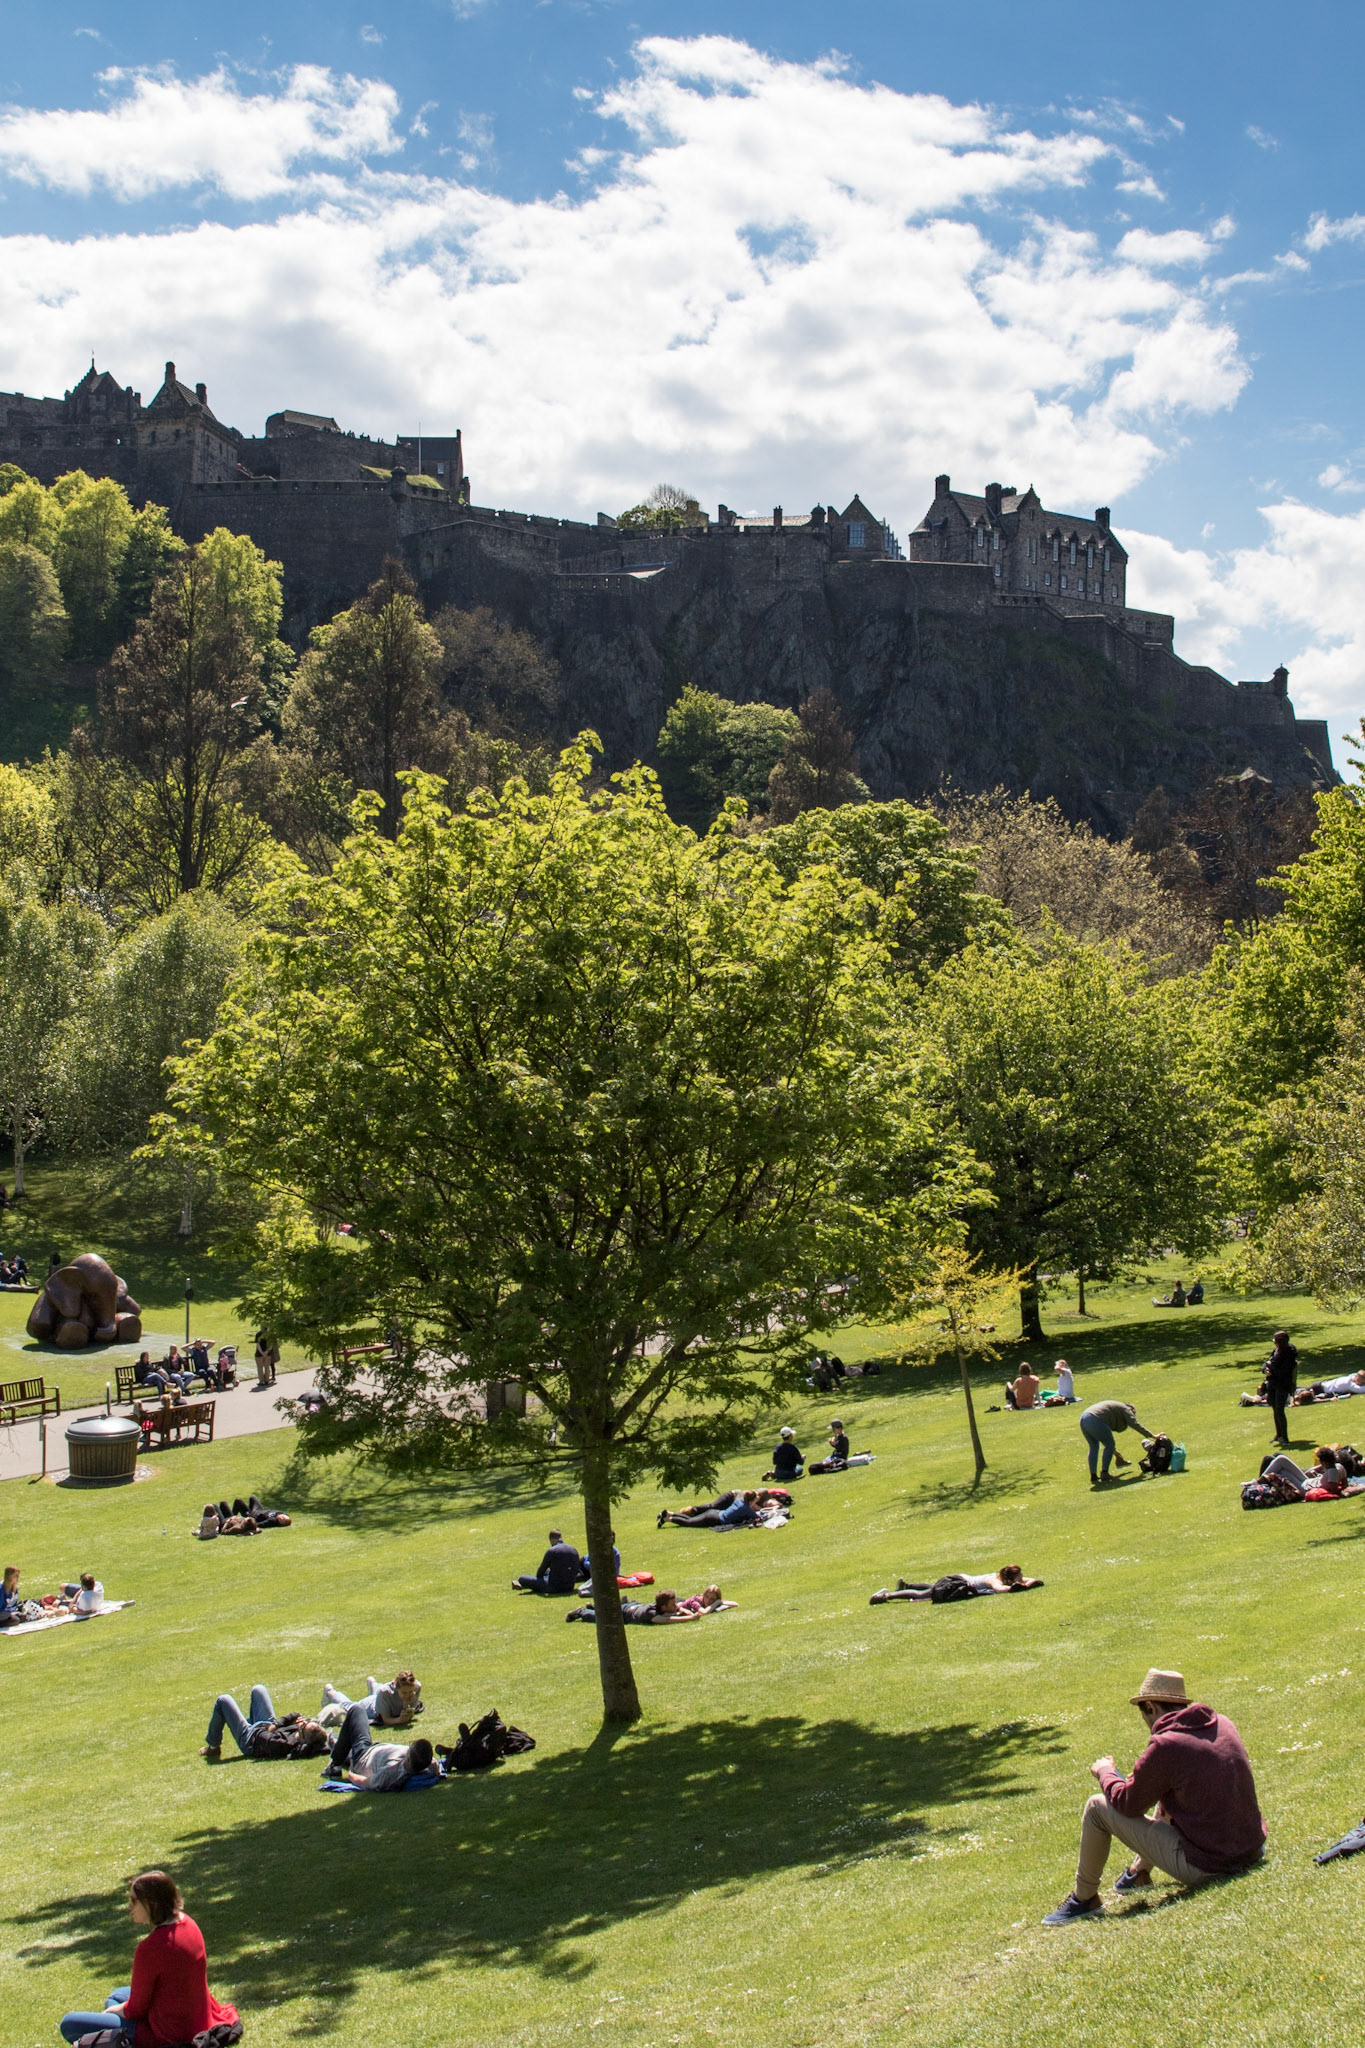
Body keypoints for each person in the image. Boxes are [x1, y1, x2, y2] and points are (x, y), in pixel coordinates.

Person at [1042, 1667, 1265, 1923]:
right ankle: (1138, 1873)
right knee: (1167, 1800)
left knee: (1096, 1807)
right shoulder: (1222, 1723)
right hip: (1251, 1850)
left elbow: (1127, 1803)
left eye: (1143, 1712)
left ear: (1151, 1707)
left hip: (1213, 1866)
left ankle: (1084, 1899)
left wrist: (1106, 1772)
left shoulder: (1166, 1744)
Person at [58, 1871, 238, 2047]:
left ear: (152, 1905)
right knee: (117, 1995)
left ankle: (117, 2041)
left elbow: (135, 2009)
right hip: (196, 2018)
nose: (130, 1907)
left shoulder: (151, 1948)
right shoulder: (189, 1924)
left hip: (169, 2033)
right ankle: (112, 2036)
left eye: (134, 1902)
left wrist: (115, 2012)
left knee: (70, 2023)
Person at [201, 1684, 332, 1760]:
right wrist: (277, 1725)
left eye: (304, 1726)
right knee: (259, 1689)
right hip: (266, 1725)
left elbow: (261, 1736)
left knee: (223, 1700)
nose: (303, 1722)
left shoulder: (283, 1744)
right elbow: (295, 1715)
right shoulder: (305, 1737)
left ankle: (213, 1747)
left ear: (303, 1738)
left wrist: (277, 1725)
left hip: (250, 1738)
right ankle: (249, 1720)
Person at [324, 1701, 434, 1787]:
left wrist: (351, 1774)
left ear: (408, 1758)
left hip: (363, 1756)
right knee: (349, 1745)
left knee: (356, 1710)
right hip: (373, 1751)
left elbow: (366, 1783)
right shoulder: (430, 1764)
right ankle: (335, 1742)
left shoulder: (391, 1772)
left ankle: (335, 1766)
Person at [1079, 1398, 1159, 1485]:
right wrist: (1152, 1436)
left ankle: (1093, 1475)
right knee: (1110, 1445)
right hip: (1095, 1419)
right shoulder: (1126, 1409)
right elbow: (1135, 1424)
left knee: (1094, 1447)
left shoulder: (1116, 1408)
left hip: (1084, 1418)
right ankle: (1105, 1473)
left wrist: (1117, 1455)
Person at [870, 1564, 1042, 1603]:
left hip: (957, 1580)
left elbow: (1032, 1581)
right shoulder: (993, 1580)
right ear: (1010, 1580)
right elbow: (1000, 1589)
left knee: (931, 1588)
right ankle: (885, 1596)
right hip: (954, 1583)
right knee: (924, 1595)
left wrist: (1028, 1584)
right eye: (1018, 1578)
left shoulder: (1003, 1576)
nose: (1022, 1579)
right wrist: (1016, 1588)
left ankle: (906, 1586)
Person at [321, 1671, 423, 1726]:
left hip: (380, 1698)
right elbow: (386, 1720)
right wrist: (400, 1720)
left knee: (378, 1694)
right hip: (370, 1708)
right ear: (397, 1689)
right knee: (349, 1706)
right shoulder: (385, 1692)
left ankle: (373, 1683)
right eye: (404, 1692)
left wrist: (406, 1703)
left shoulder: (417, 1687)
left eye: (410, 1692)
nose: (408, 1695)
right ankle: (329, 1692)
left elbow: (408, 1710)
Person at [567, 1588, 696, 1624]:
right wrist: (690, 1618)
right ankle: (582, 1612)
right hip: (625, 1613)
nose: (675, 1606)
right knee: (604, 1619)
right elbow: (668, 1620)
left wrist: (684, 1610)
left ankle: (595, 1608)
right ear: (663, 1607)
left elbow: (678, 1609)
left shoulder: (663, 1607)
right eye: (672, 1604)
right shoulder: (651, 1614)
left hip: (634, 1605)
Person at [514, 1528, 583, 1594]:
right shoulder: (574, 1550)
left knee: (522, 1578)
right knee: (548, 1571)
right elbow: (578, 1571)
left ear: (552, 1540)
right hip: (569, 1586)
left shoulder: (552, 1551)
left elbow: (540, 1572)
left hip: (553, 1587)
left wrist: (540, 1580)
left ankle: (527, 1585)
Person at [1262, 1329, 1299, 1445]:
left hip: (1283, 1384)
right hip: (1272, 1383)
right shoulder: (1276, 1351)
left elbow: (1285, 1371)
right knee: (1274, 1408)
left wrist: (1271, 1370)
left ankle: (1285, 1437)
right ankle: (1279, 1434)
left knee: (1279, 1409)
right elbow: (1266, 1363)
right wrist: (1265, 1369)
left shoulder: (1289, 1353)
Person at [660, 1489, 762, 1529]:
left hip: (714, 1513)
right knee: (689, 1522)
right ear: (751, 1500)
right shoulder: (746, 1508)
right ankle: (667, 1519)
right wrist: (773, 1511)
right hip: (715, 1518)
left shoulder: (740, 1501)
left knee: (690, 1519)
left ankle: (670, 1514)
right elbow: (759, 1517)